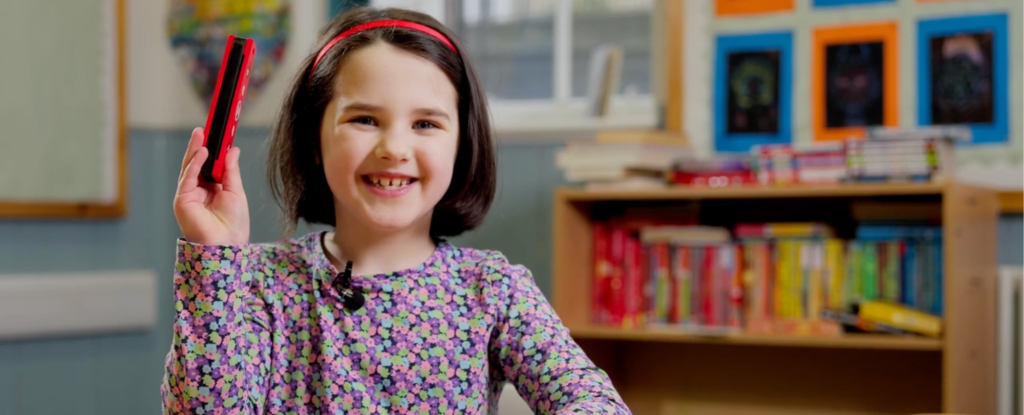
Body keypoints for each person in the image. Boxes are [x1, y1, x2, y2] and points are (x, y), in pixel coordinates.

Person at [161, 6, 630, 415]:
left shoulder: (494, 290)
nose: (395, 148)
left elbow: (595, 402)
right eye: (365, 119)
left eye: (425, 124)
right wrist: (215, 256)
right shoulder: (258, 284)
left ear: (461, 146)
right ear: (314, 140)